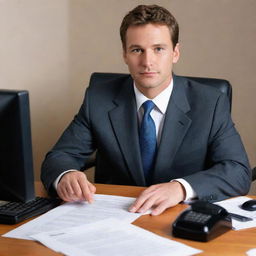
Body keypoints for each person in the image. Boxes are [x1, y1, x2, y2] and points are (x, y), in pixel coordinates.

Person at [41, 4, 251, 216]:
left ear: (175, 53)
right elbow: (60, 156)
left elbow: (237, 171)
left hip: (180, 217)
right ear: (125, 54)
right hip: (115, 215)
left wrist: (180, 188)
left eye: (158, 49)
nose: (147, 62)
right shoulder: (98, 98)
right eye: (137, 50)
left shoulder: (210, 102)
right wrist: (65, 175)